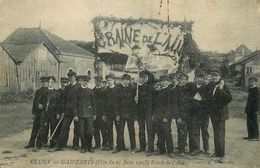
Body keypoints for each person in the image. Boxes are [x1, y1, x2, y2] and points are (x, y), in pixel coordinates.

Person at [206, 68, 232, 163]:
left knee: (220, 135)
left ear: (220, 76)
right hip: (214, 114)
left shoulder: (224, 86)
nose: (214, 77)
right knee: (216, 134)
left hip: (221, 114)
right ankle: (217, 152)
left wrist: (221, 89)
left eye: (216, 75)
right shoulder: (212, 85)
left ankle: (222, 155)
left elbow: (229, 99)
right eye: (212, 75)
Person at [50, 69, 80, 151]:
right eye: (69, 77)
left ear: (75, 77)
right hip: (67, 112)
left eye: (72, 77)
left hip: (77, 112)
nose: (70, 79)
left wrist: (77, 112)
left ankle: (75, 144)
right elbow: (63, 100)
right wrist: (63, 111)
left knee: (77, 128)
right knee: (64, 128)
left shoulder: (79, 87)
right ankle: (58, 145)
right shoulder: (67, 88)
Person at [34, 76, 60, 151]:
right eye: (49, 82)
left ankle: (53, 145)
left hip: (53, 114)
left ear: (54, 83)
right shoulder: (44, 92)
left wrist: (58, 113)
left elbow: (59, 104)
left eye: (52, 82)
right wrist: (39, 104)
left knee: (53, 128)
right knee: (43, 128)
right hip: (45, 113)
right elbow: (38, 101)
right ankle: (38, 145)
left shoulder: (56, 93)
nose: (50, 84)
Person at [187, 70, 209, 155]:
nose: (200, 79)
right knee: (195, 131)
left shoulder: (207, 88)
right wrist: (194, 101)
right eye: (198, 78)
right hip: (194, 114)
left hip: (204, 114)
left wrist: (203, 101)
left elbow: (209, 100)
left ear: (204, 79)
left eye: (202, 78)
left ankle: (206, 149)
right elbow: (187, 98)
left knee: (205, 131)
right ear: (195, 78)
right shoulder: (191, 87)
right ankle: (195, 149)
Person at [152, 76, 174, 158]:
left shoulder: (170, 91)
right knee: (159, 133)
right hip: (158, 115)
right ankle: (161, 149)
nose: (163, 82)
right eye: (162, 81)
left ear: (168, 82)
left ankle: (170, 151)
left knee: (167, 133)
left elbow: (170, 106)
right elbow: (156, 105)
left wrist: (166, 116)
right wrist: (154, 115)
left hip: (165, 116)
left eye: (165, 81)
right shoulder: (159, 91)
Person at [24, 76, 49, 149]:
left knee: (42, 129)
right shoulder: (38, 91)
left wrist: (43, 106)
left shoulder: (49, 91)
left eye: (46, 82)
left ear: (48, 83)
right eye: (43, 82)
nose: (44, 83)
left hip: (44, 113)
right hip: (37, 113)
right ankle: (31, 143)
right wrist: (33, 113)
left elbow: (49, 104)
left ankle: (39, 144)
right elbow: (35, 102)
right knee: (35, 128)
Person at [115, 74, 136, 153]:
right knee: (120, 131)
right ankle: (119, 147)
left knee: (131, 131)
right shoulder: (118, 89)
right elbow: (115, 103)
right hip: (121, 114)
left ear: (129, 81)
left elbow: (134, 102)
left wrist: (136, 100)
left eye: (128, 80)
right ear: (122, 80)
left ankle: (133, 147)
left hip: (130, 114)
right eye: (125, 80)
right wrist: (117, 114)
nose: (126, 81)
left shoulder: (132, 88)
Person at [135, 70, 154, 156]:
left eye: (145, 77)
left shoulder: (150, 86)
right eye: (142, 77)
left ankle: (150, 148)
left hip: (149, 111)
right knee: (141, 130)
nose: (143, 79)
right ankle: (142, 147)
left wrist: (145, 68)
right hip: (140, 112)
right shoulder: (137, 87)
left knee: (150, 130)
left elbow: (152, 77)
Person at [77, 75, 95, 153]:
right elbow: (74, 104)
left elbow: (94, 103)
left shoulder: (90, 91)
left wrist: (94, 113)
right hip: (80, 114)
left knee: (90, 131)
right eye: (84, 81)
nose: (85, 83)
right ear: (81, 81)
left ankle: (89, 146)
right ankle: (84, 146)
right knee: (81, 131)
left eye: (87, 82)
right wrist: (75, 115)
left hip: (89, 114)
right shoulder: (77, 90)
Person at [174, 73, 190, 156]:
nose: (183, 81)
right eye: (181, 79)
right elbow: (175, 105)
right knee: (181, 131)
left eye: (185, 79)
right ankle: (181, 150)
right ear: (178, 80)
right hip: (180, 115)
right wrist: (178, 117)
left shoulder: (188, 88)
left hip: (188, 114)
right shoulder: (175, 90)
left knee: (186, 131)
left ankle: (184, 146)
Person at [103, 74, 120, 151]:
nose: (109, 82)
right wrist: (104, 114)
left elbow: (120, 102)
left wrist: (118, 114)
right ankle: (110, 145)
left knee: (118, 129)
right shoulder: (105, 90)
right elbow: (104, 103)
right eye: (108, 81)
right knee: (109, 129)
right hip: (108, 113)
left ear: (113, 80)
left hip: (116, 113)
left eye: (110, 80)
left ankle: (119, 145)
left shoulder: (117, 89)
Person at [93, 76, 107, 149]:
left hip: (102, 114)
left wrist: (104, 114)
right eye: (96, 81)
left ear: (101, 82)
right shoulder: (92, 90)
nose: (98, 83)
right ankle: (97, 144)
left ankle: (104, 144)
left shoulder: (104, 91)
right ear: (95, 82)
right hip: (95, 114)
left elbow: (106, 103)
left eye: (99, 81)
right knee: (96, 130)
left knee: (104, 130)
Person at [243, 76, 259, 141]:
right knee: (249, 123)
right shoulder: (251, 89)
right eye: (250, 82)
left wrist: (256, 110)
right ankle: (250, 136)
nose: (251, 83)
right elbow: (249, 101)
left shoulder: (257, 90)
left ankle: (256, 136)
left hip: (254, 109)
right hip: (249, 109)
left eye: (252, 82)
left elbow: (257, 101)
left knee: (254, 123)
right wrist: (247, 109)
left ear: (255, 82)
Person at [56, 77, 70, 146]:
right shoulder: (57, 91)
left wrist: (65, 112)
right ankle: (57, 141)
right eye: (62, 82)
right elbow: (56, 103)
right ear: (60, 83)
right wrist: (58, 113)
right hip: (58, 112)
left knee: (66, 127)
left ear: (67, 83)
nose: (64, 84)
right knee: (58, 126)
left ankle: (64, 142)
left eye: (65, 83)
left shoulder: (68, 92)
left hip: (66, 112)